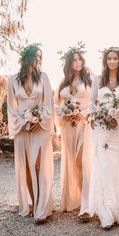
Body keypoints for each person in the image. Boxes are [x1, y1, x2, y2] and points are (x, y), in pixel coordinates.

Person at [87, 46, 119, 229]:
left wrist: (118, 113)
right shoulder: (98, 80)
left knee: (117, 164)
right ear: (105, 61)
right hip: (101, 127)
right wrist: (102, 115)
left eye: (115, 58)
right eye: (109, 58)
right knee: (104, 165)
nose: (112, 61)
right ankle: (106, 212)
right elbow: (91, 103)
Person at [7, 43, 54, 224]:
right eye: (34, 56)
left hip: (40, 128)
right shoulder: (13, 80)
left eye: (39, 57)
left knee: (38, 165)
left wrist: (38, 120)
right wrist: (23, 122)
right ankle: (34, 203)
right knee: (26, 166)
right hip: (21, 128)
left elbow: (48, 104)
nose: (37, 60)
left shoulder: (44, 78)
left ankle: (42, 208)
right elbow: (11, 108)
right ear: (25, 57)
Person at [54, 43, 92, 214]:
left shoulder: (89, 79)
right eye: (74, 60)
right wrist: (65, 113)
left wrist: (82, 113)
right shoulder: (63, 82)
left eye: (79, 59)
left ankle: (86, 204)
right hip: (69, 126)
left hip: (85, 125)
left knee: (83, 160)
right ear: (69, 63)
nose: (77, 62)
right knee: (71, 161)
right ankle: (74, 198)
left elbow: (95, 102)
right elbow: (55, 104)